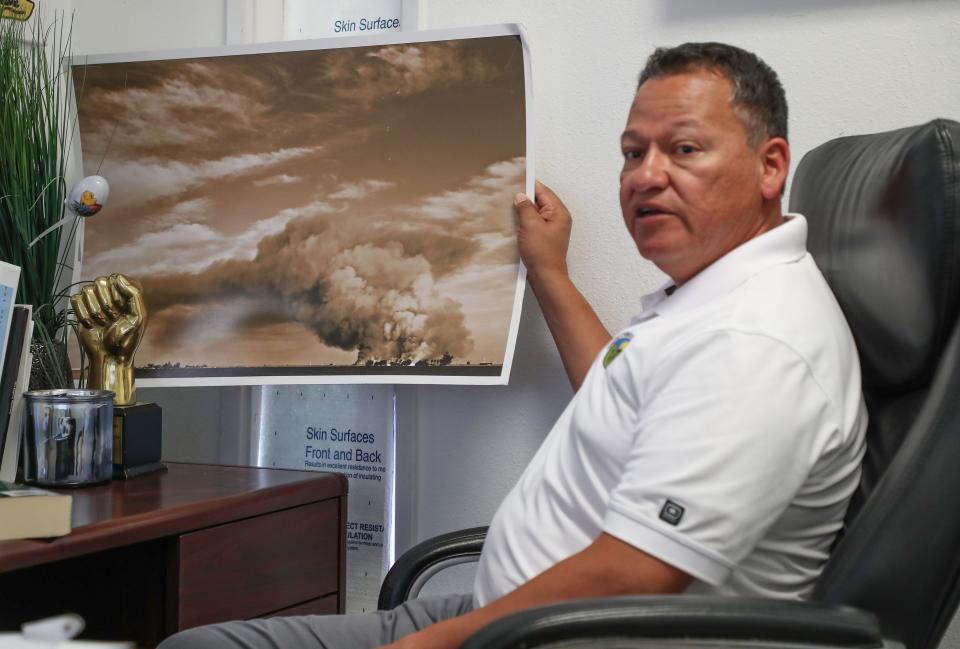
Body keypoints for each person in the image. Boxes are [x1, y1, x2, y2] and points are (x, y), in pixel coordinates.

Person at [160, 42, 867, 649]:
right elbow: (618, 391)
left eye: (683, 148)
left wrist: (426, 645)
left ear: (771, 166)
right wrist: (549, 272)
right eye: (632, 152)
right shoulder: (712, 297)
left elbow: (639, 572)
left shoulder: (754, 342)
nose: (646, 174)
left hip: (542, 633)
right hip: (514, 618)